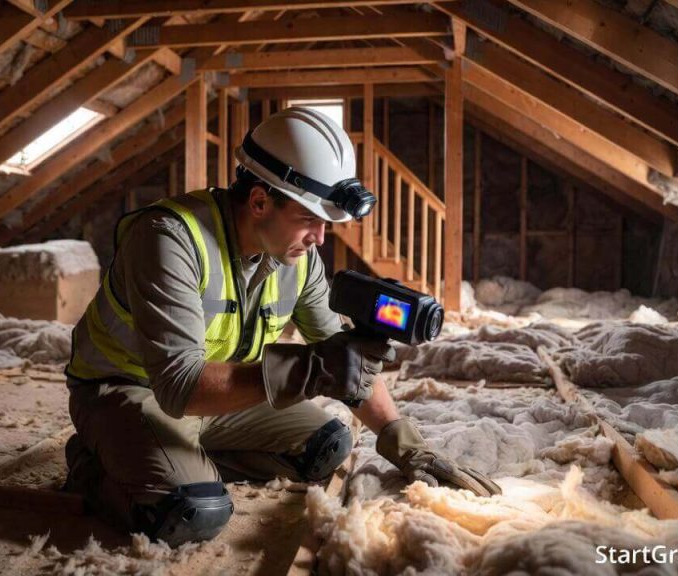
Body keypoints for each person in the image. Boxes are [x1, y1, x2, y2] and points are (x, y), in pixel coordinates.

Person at [63, 107, 500, 547]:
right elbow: (179, 386)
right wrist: (311, 369)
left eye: (326, 223)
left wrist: (405, 445)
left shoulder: (298, 257)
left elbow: (342, 355)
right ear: (258, 201)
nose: (321, 238)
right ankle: (96, 463)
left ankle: (167, 457)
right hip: (129, 390)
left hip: (220, 395)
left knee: (327, 447)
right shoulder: (169, 239)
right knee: (192, 512)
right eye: (311, 220)